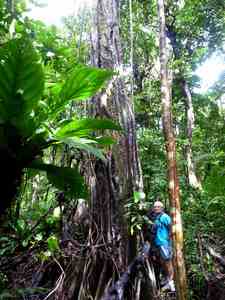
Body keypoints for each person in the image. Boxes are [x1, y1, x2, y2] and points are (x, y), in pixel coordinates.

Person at [143, 199, 175, 292]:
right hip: (157, 244)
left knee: (168, 262)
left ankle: (171, 282)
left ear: (162, 208)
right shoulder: (154, 218)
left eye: (158, 207)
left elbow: (171, 228)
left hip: (164, 243)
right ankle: (166, 279)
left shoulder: (165, 217)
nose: (156, 208)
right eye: (155, 207)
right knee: (162, 262)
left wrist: (168, 240)